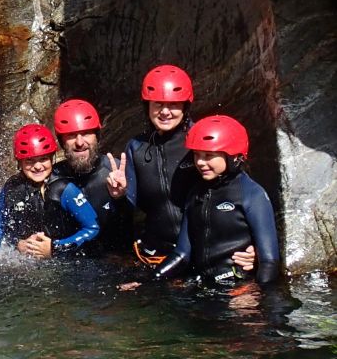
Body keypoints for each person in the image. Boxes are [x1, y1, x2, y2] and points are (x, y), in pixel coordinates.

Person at [108, 65, 256, 271]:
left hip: (205, 254)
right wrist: (119, 195)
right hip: (158, 256)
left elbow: (241, 193)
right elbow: (129, 212)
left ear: (186, 106)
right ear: (147, 106)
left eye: (173, 105)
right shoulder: (137, 147)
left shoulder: (203, 139)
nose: (165, 112)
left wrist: (253, 246)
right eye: (158, 104)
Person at [154, 116, 280, 285]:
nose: (200, 162)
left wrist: (258, 298)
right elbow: (182, 255)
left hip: (238, 290)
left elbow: (269, 263)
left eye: (209, 156)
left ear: (233, 156)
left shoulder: (252, 195)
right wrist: (148, 281)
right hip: (202, 286)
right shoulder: (195, 193)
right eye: (197, 155)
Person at [0, 124, 99, 257]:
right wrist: (14, 245)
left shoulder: (64, 189)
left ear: (52, 158)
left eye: (43, 159)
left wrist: (54, 249)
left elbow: (92, 228)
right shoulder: (12, 187)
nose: (38, 166)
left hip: (66, 259)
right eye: (29, 161)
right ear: (19, 162)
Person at [51, 99, 132, 253]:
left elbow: (136, 225)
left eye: (86, 133)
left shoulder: (116, 172)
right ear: (61, 141)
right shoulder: (52, 177)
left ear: (97, 136)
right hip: (68, 262)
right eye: (71, 135)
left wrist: (121, 198)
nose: (80, 142)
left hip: (113, 262)